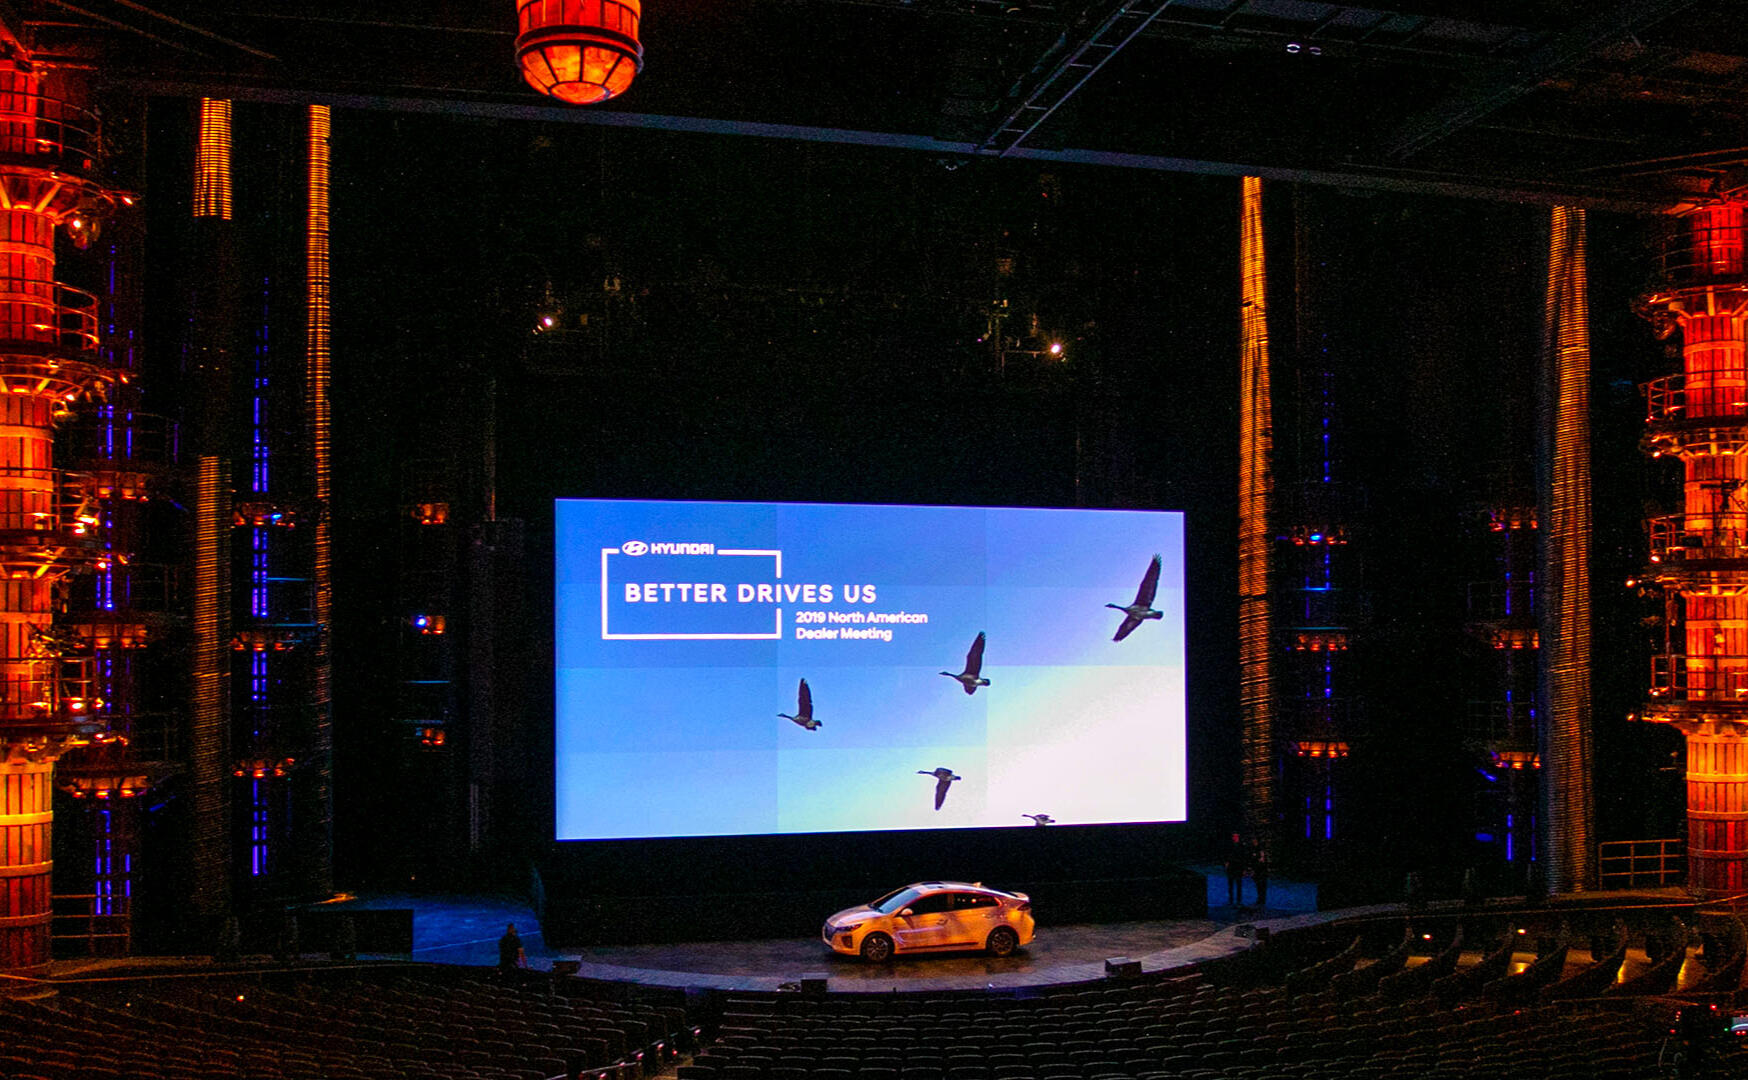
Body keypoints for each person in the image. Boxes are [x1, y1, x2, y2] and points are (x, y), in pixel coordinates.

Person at [1223, 832, 1246, 907]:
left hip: (1238, 867)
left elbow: (1243, 857)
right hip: (1231, 866)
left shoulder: (1241, 846)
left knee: (1239, 884)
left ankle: (1239, 900)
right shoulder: (1229, 846)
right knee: (1231, 884)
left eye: (1236, 836)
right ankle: (1231, 900)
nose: (1235, 838)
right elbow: (1225, 855)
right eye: (1234, 836)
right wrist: (1226, 863)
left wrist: (1244, 868)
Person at [1251, 844, 1269, 909]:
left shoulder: (1263, 861)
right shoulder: (1258, 860)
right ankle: (1260, 899)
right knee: (1259, 887)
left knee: (1262, 887)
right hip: (1258, 873)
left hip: (1262, 874)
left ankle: (1262, 900)